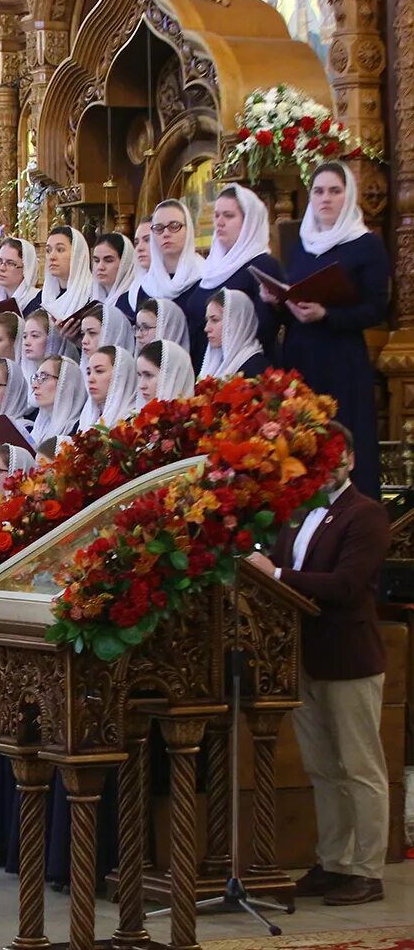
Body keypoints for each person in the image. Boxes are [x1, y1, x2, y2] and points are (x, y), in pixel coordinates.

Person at [245, 424, 390, 906]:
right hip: (303, 656)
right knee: (323, 768)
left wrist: (279, 573)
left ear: (349, 459)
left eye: (332, 457)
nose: (324, 467)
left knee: (360, 767)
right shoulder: (300, 512)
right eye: (314, 458)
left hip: (348, 658)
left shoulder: (365, 513)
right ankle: (333, 862)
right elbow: (280, 570)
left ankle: (367, 870)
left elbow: (347, 585)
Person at [263, 162, 388, 495]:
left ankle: (350, 523)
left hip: (342, 358)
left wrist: (327, 314)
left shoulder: (366, 244)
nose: (325, 199)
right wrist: (277, 299)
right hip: (302, 355)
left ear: (349, 196)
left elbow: (377, 308)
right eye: (318, 191)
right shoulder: (301, 244)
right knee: (303, 441)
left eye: (335, 191)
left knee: (342, 438)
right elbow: (294, 302)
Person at [183, 184, 281, 363]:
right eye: (217, 215)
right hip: (204, 368)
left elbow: (265, 328)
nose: (219, 222)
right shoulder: (212, 266)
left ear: (249, 222)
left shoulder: (263, 266)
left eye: (228, 216)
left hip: (243, 373)